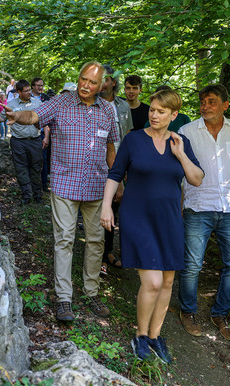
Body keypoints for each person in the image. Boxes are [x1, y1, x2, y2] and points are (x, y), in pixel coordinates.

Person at [5, 61, 119, 322]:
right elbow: (33, 116)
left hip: (97, 187)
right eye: (83, 79)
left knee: (96, 242)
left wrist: (117, 182)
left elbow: (111, 148)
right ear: (78, 79)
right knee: (64, 240)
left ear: (102, 85)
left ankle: (91, 292)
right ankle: (64, 298)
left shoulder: (107, 111)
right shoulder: (61, 103)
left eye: (92, 82)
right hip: (65, 186)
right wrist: (16, 115)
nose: (86, 86)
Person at [101, 89, 204, 363]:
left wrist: (181, 155)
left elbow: (196, 179)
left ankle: (156, 337)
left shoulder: (180, 142)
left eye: (161, 111)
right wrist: (105, 206)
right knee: (154, 281)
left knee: (168, 280)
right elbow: (114, 174)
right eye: (152, 110)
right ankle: (141, 336)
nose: (154, 115)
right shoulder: (134, 140)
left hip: (169, 219)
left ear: (173, 115)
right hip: (138, 217)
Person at [178, 84, 230, 341]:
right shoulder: (186, 132)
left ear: (225, 105)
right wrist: (177, 209)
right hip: (197, 208)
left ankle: (220, 314)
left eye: (211, 101)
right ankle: (187, 311)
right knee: (191, 266)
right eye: (202, 101)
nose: (205, 106)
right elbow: (179, 174)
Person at [99, 64, 134, 273]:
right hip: (97, 162)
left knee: (115, 207)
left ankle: (108, 252)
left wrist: (129, 165)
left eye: (105, 80)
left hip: (119, 161)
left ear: (113, 82)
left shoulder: (123, 106)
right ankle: (99, 256)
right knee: (99, 208)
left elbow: (128, 136)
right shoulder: (92, 104)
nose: (102, 84)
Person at [0, 79, 44, 205]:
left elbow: (44, 120)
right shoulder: (11, 104)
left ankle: (38, 195)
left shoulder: (37, 103)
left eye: (29, 90)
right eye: (25, 91)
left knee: (36, 167)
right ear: (19, 92)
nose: (29, 93)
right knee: (21, 168)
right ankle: (26, 196)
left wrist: (45, 135)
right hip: (18, 142)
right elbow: (1, 117)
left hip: (35, 140)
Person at [31, 77, 51, 191]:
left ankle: (44, 185)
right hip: (30, 133)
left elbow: (48, 117)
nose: (40, 87)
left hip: (43, 133)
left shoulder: (46, 98)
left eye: (42, 85)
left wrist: (47, 136)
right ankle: (33, 186)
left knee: (43, 160)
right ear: (33, 86)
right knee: (32, 161)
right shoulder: (28, 98)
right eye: (38, 85)